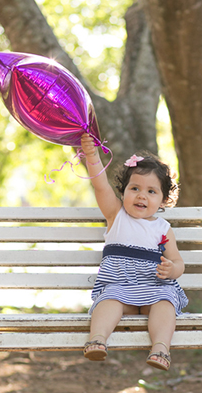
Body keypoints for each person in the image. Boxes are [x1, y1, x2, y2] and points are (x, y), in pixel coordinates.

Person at [80, 134, 188, 371]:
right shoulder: (116, 215)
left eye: (151, 191)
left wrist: (172, 270)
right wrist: (91, 155)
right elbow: (100, 184)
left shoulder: (163, 228)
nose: (141, 195)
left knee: (166, 303)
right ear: (123, 191)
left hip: (154, 287)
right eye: (135, 188)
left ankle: (160, 348)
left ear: (163, 200)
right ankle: (97, 339)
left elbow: (178, 261)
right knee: (108, 300)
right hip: (120, 286)